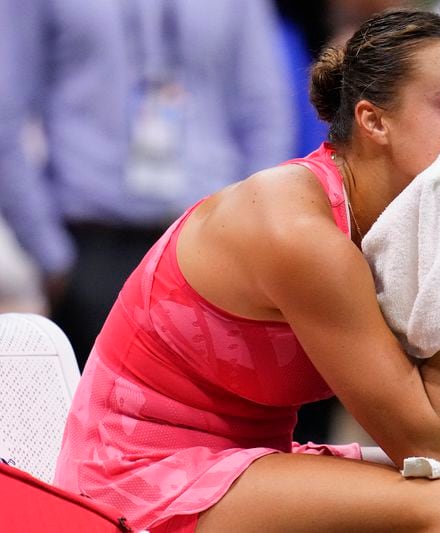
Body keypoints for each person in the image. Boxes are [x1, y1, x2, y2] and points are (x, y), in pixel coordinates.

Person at [53, 9, 440, 533]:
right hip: (136, 476)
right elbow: (430, 444)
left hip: (258, 458)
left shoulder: (403, 223)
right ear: (373, 120)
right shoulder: (299, 232)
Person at [0, 0, 295, 369]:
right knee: (101, 421)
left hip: (211, 241)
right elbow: (5, 115)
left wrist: (249, 235)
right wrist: (52, 256)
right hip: (93, 245)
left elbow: (265, 111)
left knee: (206, 422)